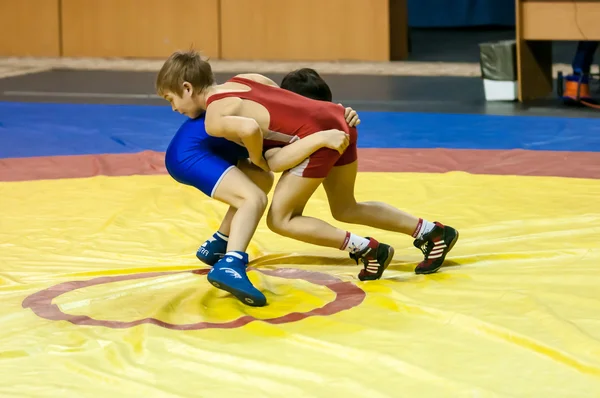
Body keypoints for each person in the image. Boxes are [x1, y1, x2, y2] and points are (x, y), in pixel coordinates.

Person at [156, 51, 459, 306]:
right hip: (341, 122)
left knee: (280, 218)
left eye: (171, 100)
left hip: (323, 137)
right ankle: (431, 232)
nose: (173, 109)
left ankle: (366, 248)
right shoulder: (246, 79)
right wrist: (333, 114)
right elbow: (289, 103)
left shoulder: (213, 117)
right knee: (345, 206)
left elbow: (250, 130)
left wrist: (260, 158)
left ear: (187, 87)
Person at [159, 60, 359, 307]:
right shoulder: (241, 113)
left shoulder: (251, 86)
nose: (172, 108)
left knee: (261, 180)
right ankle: (231, 263)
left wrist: (335, 113)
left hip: (195, 149)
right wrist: (258, 157)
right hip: (190, 153)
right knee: (252, 198)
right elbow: (260, 136)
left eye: (170, 100)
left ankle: (219, 242)